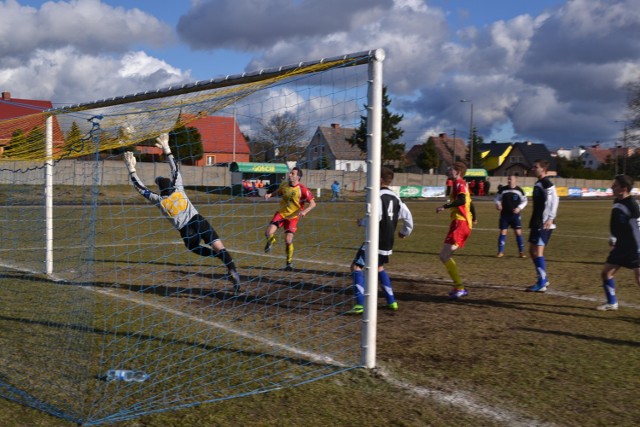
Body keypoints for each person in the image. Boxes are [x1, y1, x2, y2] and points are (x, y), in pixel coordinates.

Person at [122, 133, 241, 288]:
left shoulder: (159, 200)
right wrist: (167, 148)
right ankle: (232, 269)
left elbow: (141, 189)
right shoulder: (178, 189)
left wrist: (131, 170)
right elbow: (175, 167)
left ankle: (215, 255)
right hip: (198, 220)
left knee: (193, 247)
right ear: (172, 184)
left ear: (159, 189)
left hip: (185, 231)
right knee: (219, 246)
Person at [347, 167, 413, 314]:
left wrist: (362, 222)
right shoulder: (396, 198)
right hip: (388, 242)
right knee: (378, 268)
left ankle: (360, 304)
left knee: (356, 267)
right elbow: (409, 218)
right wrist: (404, 232)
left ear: (380, 179)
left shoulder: (376, 196)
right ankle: (392, 301)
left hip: (374, 240)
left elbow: (375, 217)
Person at [596, 174, 640, 311]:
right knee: (606, 273)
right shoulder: (616, 201)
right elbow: (615, 223)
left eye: (615, 185)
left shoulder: (633, 205)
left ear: (624, 188)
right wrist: (613, 236)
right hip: (621, 246)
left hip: (634, 247)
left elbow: (637, 227)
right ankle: (612, 303)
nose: (612, 187)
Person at [436, 162, 476, 299]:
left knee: (444, 255)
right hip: (460, 222)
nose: (449, 170)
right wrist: (474, 217)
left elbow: (462, 201)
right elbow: (471, 203)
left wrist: (444, 206)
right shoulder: (461, 183)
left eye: (451, 168)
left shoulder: (459, 183)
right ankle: (458, 286)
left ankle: (460, 287)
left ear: (458, 172)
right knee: (445, 255)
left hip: (460, 223)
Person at [263, 167, 316, 271]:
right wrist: (270, 194)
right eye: (290, 173)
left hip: (293, 217)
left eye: (293, 173)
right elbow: (278, 191)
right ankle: (271, 241)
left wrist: (304, 211)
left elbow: (313, 203)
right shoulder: (285, 184)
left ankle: (289, 263)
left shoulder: (303, 189)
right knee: (268, 232)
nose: (290, 175)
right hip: (281, 214)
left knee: (288, 240)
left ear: (298, 177)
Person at [525, 159, 559, 292]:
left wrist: (550, 218)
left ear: (543, 169)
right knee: (532, 251)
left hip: (543, 223)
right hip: (537, 222)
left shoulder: (546, 183)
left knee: (537, 252)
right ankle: (542, 278)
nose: (533, 169)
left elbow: (554, 199)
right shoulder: (539, 182)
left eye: (535, 167)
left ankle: (542, 281)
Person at [494, 175, 528, 258]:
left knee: (518, 233)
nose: (509, 180)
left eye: (511, 179)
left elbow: (525, 201)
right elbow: (496, 198)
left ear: (515, 180)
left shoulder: (519, 190)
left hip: (515, 216)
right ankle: (500, 252)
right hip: (505, 215)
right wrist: (498, 204)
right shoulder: (503, 189)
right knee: (503, 232)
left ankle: (521, 252)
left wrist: (519, 208)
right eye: (508, 179)